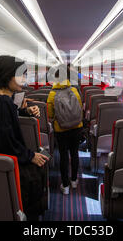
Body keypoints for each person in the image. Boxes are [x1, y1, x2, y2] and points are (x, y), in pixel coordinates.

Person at [0, 55, 49, 220]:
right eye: (21, 75)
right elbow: (6, 141)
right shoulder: (3, 102)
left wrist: (25, 111)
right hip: (3, 162)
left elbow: (5, 120)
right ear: (7, 76)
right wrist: (30, 156)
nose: (24, 79)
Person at [47, 64, 83, 195]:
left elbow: (50, 115)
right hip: (76, 128)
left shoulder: (52, 94)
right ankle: (74, 180)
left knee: (63, 156)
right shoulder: (74, 90)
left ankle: (65, 186)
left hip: (61, 130)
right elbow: (79, 109)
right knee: (74, 153)